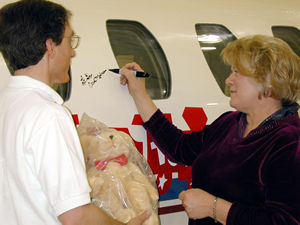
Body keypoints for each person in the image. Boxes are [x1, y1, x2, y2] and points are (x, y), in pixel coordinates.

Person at [119, 35, 300, 225]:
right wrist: (139, 93)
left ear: (269, 82)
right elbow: (180, 148)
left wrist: (214, 208)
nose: (229, 80)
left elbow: (286, 220)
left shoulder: (289, 141)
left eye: (237, 72)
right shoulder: (230, 123)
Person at [0, 0, 150, 225]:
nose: (72, 53)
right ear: (50, 46)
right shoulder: (49, 115)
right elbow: (76, 216)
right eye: (70, 41)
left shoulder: (7, 104)